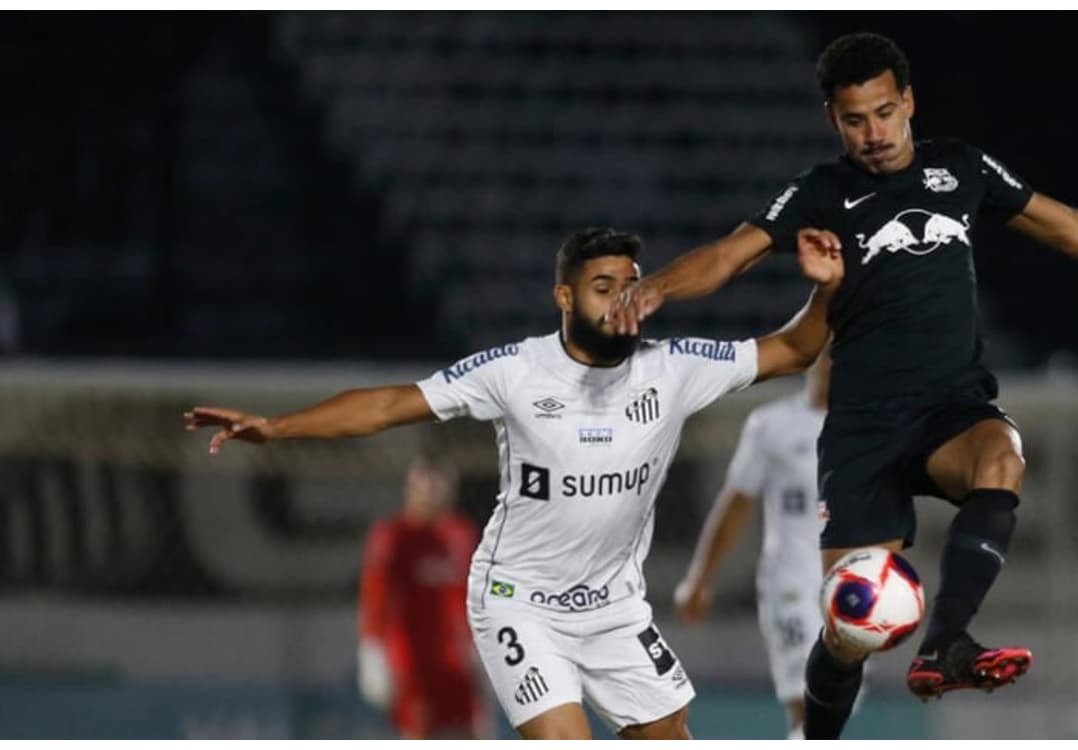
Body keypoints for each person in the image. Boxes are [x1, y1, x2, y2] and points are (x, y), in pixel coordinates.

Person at [605, 31, 1078, 739]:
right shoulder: (822, 192)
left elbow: (1077, 231)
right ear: (834, 119)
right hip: (863, 428)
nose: (874, 133)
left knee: (1001, 454)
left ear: (909, 101)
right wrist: (656, 290)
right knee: (848, 631)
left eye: (885, 112)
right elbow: (730, 256)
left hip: (949, 407)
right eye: (856, 119)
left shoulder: (961, 168)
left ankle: (946, 643)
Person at [186, 226, 843, 740]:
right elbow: (390, 406)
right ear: (564, 297)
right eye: (603, 285)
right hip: (518, 601)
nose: (622, 299)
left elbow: (792, 350)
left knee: (671, 735)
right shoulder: (515, 372)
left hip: (613, 605)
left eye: (632, 284)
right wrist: (277, 428)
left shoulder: (672, 369)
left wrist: (825, 288)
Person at [674, 349, 865, 739]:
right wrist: (700, 578)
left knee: (837, 714)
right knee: (809, 709)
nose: (836, 364)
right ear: (813, 357)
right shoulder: (772, 425)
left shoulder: (870, 429)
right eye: (830, 354)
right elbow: (737, 502)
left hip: (852, 590)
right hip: (791, 585)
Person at [357, 456, 487, 739]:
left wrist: (482, 644)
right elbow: (375, 596)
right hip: (410, 657)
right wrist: (372, 649)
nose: (431, 495)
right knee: (419, 731)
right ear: (410, 490)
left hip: (456, 656)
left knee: (473, 729)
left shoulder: (460, 533)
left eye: (438, 488)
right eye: (424, 487)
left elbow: (473, 594)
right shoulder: (393, 535)